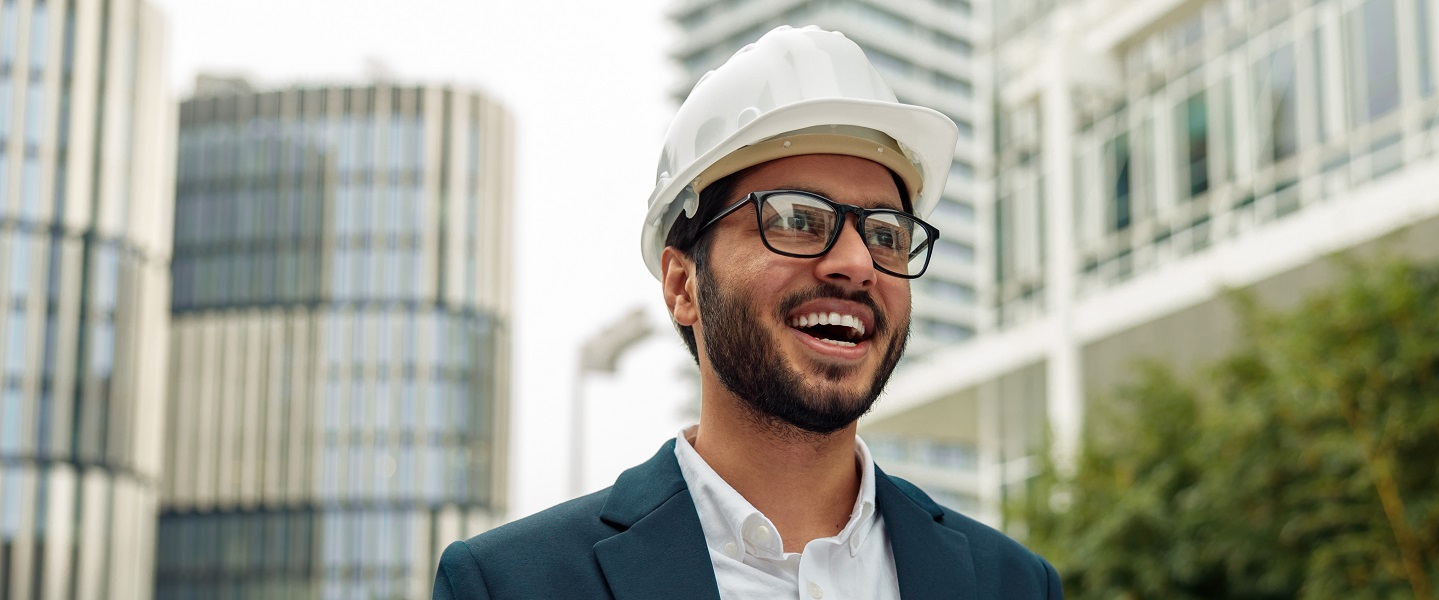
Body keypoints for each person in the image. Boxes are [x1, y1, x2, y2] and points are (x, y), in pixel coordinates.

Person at [433, 25, 1063, 600]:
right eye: (795, 219)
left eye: (886, 232)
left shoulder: (1013, 584)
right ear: (683, 285)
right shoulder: (509, 585)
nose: (858, 263)